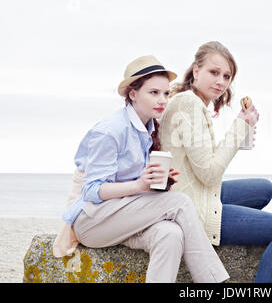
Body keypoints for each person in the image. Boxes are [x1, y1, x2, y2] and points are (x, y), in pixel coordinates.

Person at [52, 55, 229, 283]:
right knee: (181, 202)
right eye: (153, 93)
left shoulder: (146, 129)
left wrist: (158, 183)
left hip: (121, 218)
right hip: (93, 222)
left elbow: (133, 189)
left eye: (166, 93)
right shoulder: (111, 130)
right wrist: (140, 185)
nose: (162, 100)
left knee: (171, 234)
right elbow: (91, 190)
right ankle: (214, 283)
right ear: (133, 94)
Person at [159, 41, 272, 283]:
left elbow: (200, 164)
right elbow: (210, 173)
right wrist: (239, 129)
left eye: (227, 76)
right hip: (193, 212)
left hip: (192, 193)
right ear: (196, 71)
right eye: (214, 73)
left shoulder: (189, 102)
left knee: (264, 188)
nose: (221, 82)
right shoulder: (189, 104)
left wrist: (240, 132)